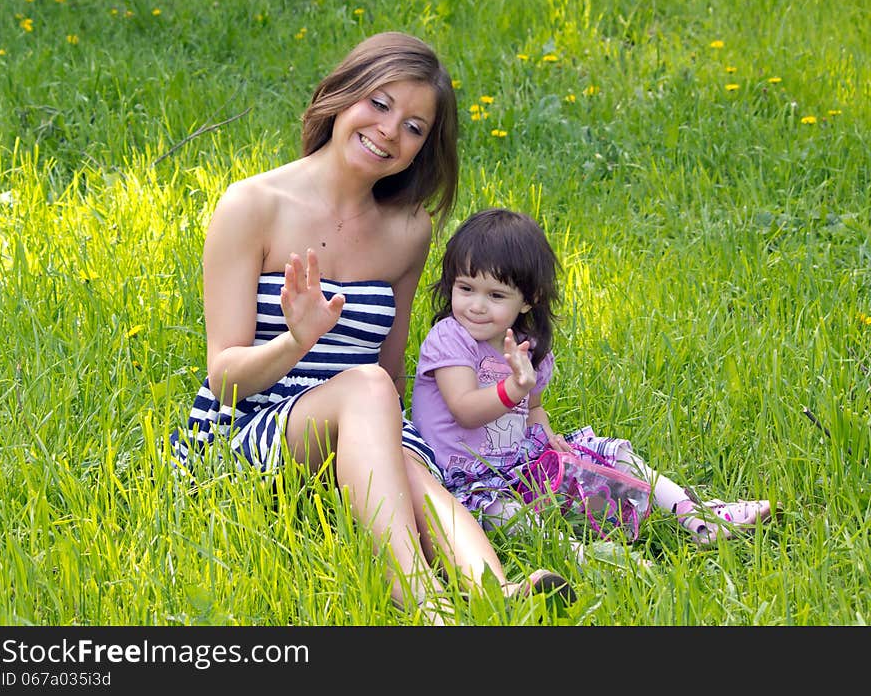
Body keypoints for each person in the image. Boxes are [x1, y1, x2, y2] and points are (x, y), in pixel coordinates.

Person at [168, 34, 571, 623]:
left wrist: (402, 449)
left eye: (414, 127)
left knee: (400, 447)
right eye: (379, 104)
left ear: (422, 150)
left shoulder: (408, 229)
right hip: (250, 424)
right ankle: (421, 600)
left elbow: (393, 359)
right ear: (342, 94)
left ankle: (495, 593)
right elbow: (226, 378)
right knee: (366, 389)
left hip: (361, 417)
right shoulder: (251, 205)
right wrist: (296, 341)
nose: (389, 131)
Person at [411, 207, 775, 548]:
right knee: (508, 515)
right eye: (466, 288)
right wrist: (513, 388)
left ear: (527, 300)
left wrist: (547, 436)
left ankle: (696, 516)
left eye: (495, 295)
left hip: (517, 465)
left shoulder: (528, 348)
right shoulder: (450, 337)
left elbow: (532, 408)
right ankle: (586, 556)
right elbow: (465, 410)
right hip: (461, 480)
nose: (476, 305)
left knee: (611, 457)